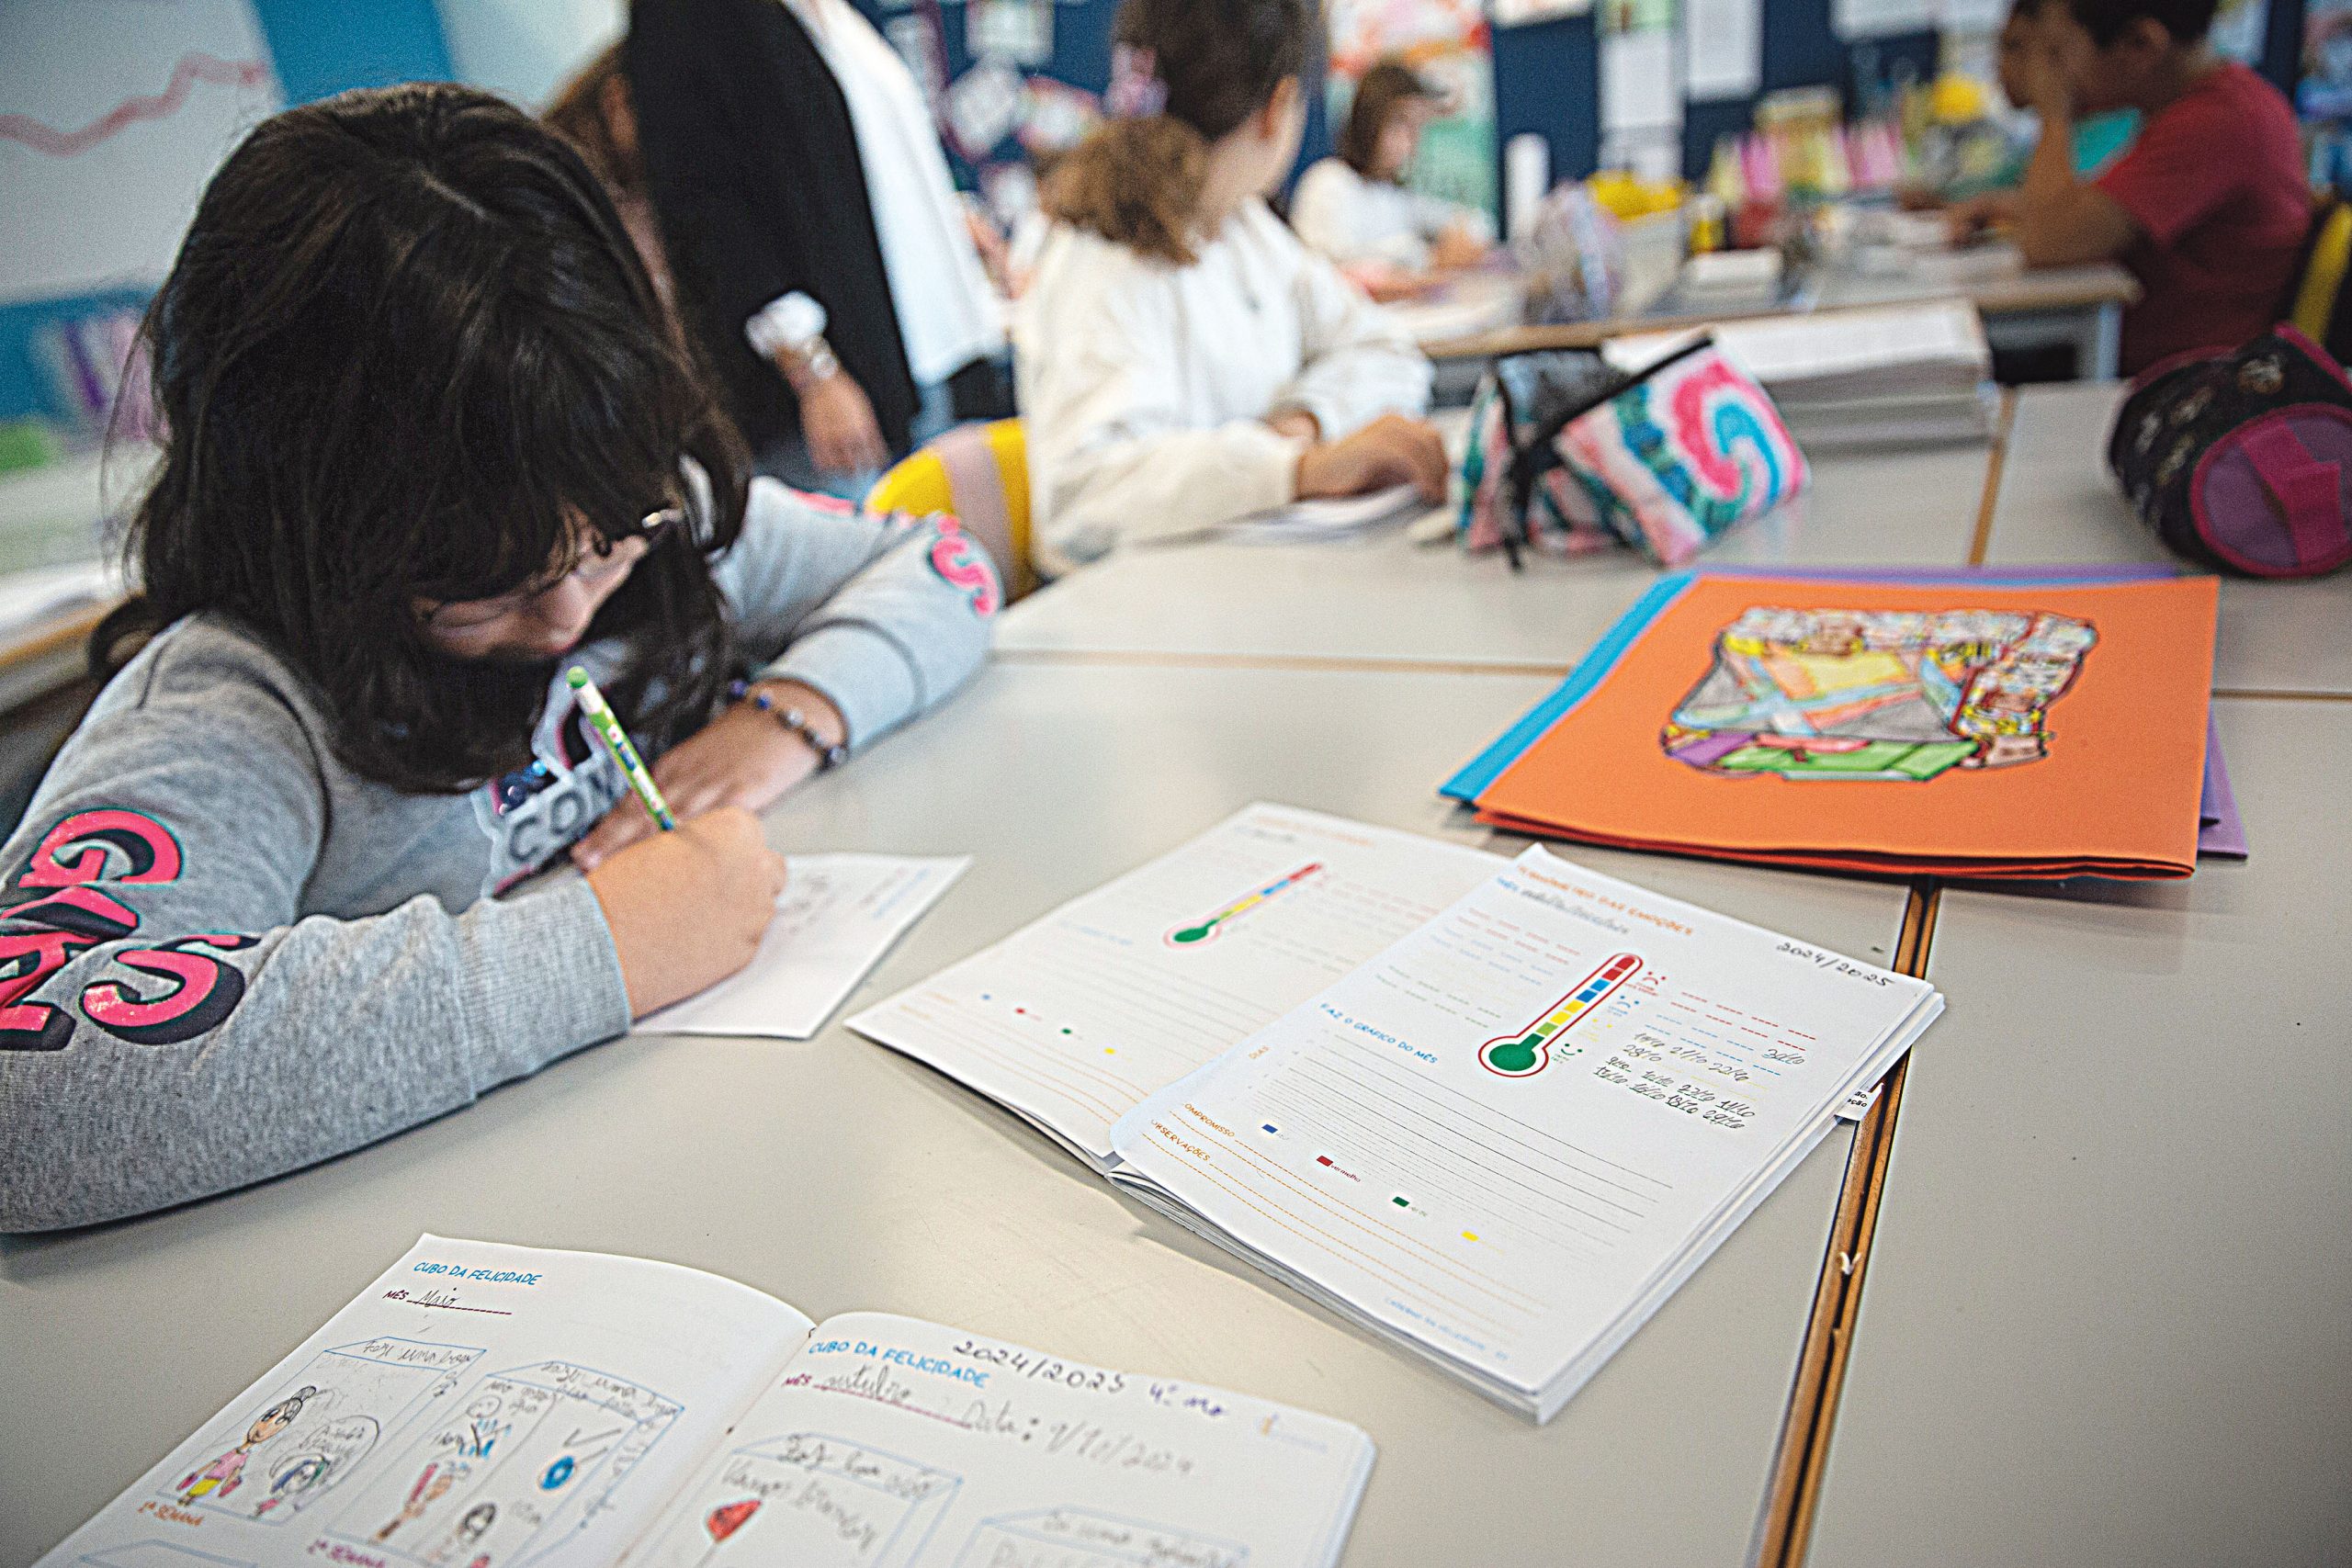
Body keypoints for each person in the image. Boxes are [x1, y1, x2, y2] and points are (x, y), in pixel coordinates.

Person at [0, 86, 997, 1233]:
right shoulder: (237, 708)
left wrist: (785, 718)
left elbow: (948, 566)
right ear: (322, 526)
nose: (572, 614)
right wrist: (607, 946)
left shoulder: (659, 517)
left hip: (710, 1166)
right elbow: (30, 1084)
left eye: (608, 548)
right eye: (494, 588)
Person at [1015, 0, 1447, 575]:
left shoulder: (1246, 231)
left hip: (1240, 581)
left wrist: (1306, 423)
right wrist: (1296, 470)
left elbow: (1386, 349)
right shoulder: (1105, 252)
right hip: (1138, 619)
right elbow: (1084, 497)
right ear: (1280, 106)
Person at [626, 0, 1008, 497]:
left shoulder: (834, 11)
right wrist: (811, 368)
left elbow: (857, 165)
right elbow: (707, 211)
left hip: (924, 351)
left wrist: (954, 221)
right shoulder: (687, 15)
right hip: (829, 382)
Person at [1976, 0, 2310, 373]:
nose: (2055, 71)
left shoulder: (2217, 120)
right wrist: (2009, 207)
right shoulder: (2200, 104)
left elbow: (2047, 243)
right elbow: (2092, 216)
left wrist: (2055, 112)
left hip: (2181, 379)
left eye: (2060, 52)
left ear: (2141, 45)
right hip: (2134, 359)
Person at [1290, 58, 1496, 300]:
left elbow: (1476, 223)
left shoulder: (1394, 196)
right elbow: (1339, 264)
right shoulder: (1329, 181)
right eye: (1401, 123)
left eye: (1418, 128)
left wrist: (1462, 237)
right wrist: (1430, 257)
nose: (1411, 142)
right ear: (1369, 120)